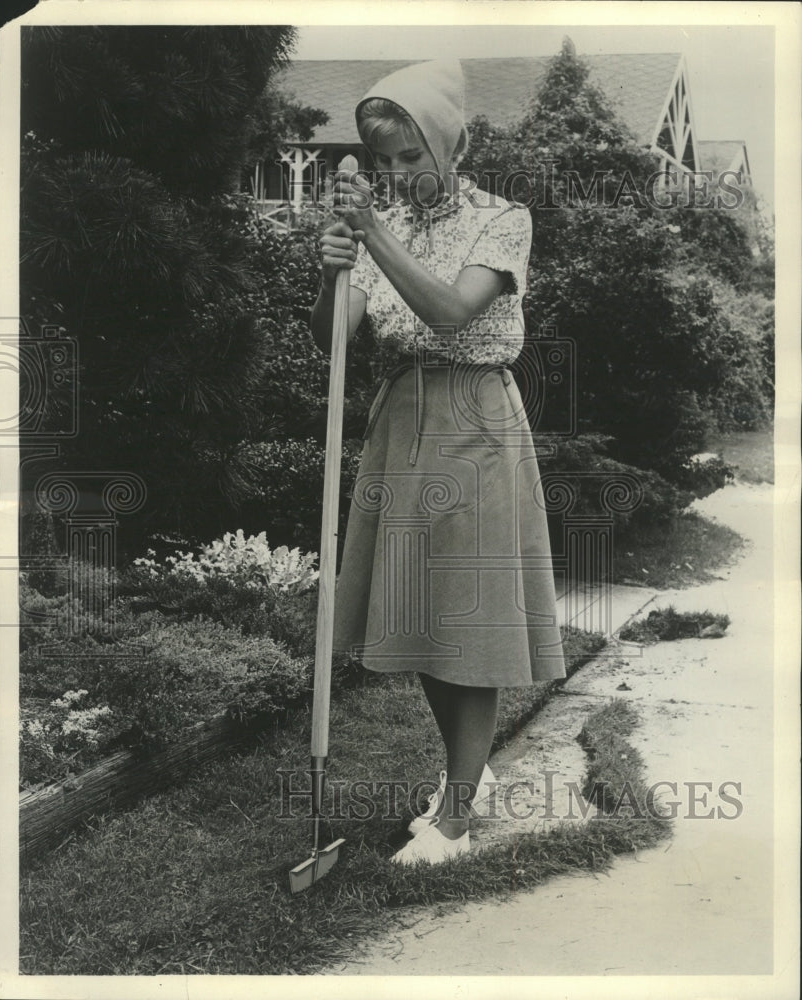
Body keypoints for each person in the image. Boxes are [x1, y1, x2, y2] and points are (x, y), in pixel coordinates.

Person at [310, 59, 566, 866]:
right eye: (382, 160)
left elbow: (454, 315)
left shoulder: (502, 219)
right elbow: (334, 342)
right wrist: (331, 269)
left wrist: (374, 233)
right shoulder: (383, 223)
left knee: (467, 616)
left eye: (409, 157)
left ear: (448, 146)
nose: (395, 175)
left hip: (473, 418)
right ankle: (469, 778)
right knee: (417, 610)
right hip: (401, 421)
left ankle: (454, 819)